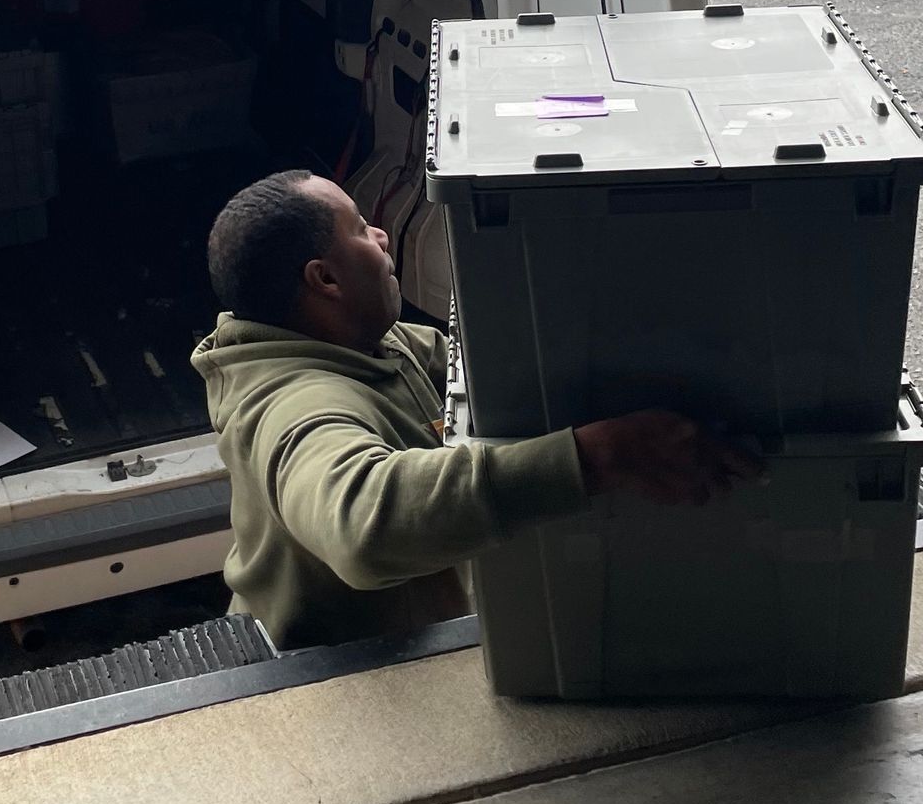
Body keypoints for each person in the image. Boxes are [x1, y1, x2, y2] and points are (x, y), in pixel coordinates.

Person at [192, 169, 756, 649]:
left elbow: (491, 366)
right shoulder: (295, 404)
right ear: (326, 279)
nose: (383, 235)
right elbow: (361, 527)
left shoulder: (379, 345)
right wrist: (597, 457)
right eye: (361, 228)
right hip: (320, 682)